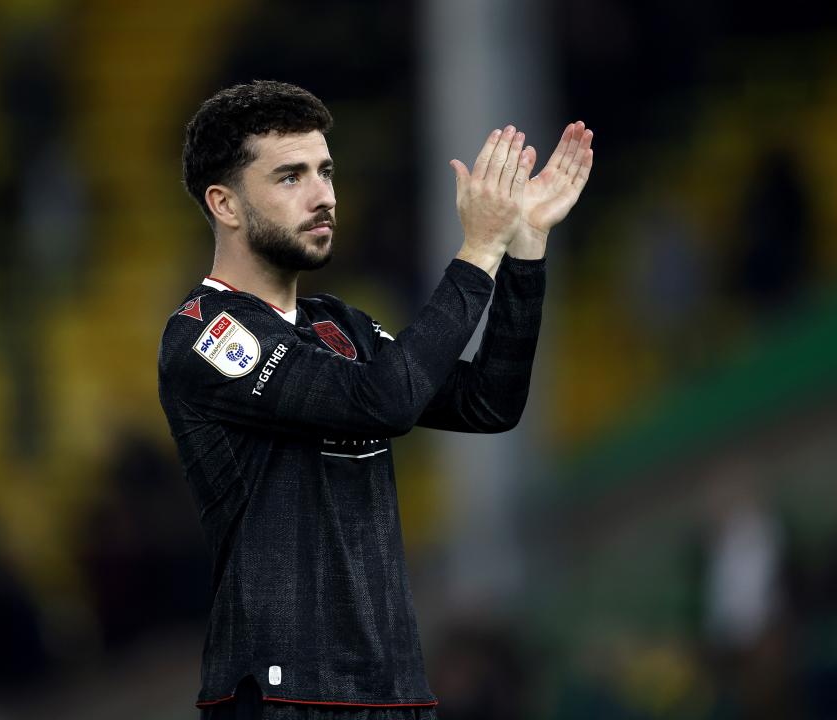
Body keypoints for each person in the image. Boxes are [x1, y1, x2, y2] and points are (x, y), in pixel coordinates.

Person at [158, 80, 593, 720]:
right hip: (281, 694)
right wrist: (477, 251)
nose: (323, 195)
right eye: (289, 177)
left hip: (391, 689)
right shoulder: (205, 333)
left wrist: (523, 247)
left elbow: (487, 403)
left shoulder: (341, 326)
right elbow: (381, 402)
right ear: (224, 203)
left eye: (325, 172)